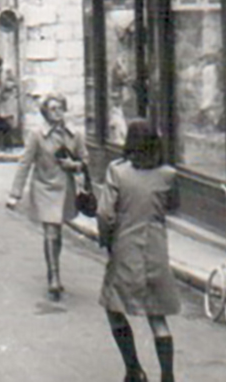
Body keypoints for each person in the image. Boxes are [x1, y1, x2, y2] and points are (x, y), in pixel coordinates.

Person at [97, 120, 180, 382]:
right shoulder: (168, 174)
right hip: (156, 250)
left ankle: (134, 369)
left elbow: (104, 213)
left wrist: (106, 240)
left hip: (125, 247)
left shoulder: (118, 172)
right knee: (157, 316)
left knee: (113, 307)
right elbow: (173, 205)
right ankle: (167, 376)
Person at [6, 94, 86, 300]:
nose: (57, 112)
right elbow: (25, 163)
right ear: (45, 113)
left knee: (57, 232)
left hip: (65, 189)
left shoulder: (74, 134)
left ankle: (54, 269)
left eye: (60, 108)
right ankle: (54, 277)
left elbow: (85, 161)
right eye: (52, 109)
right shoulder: (37, 135)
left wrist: (75, 165)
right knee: (50, 231)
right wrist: (15, 194)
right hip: (44, 187)